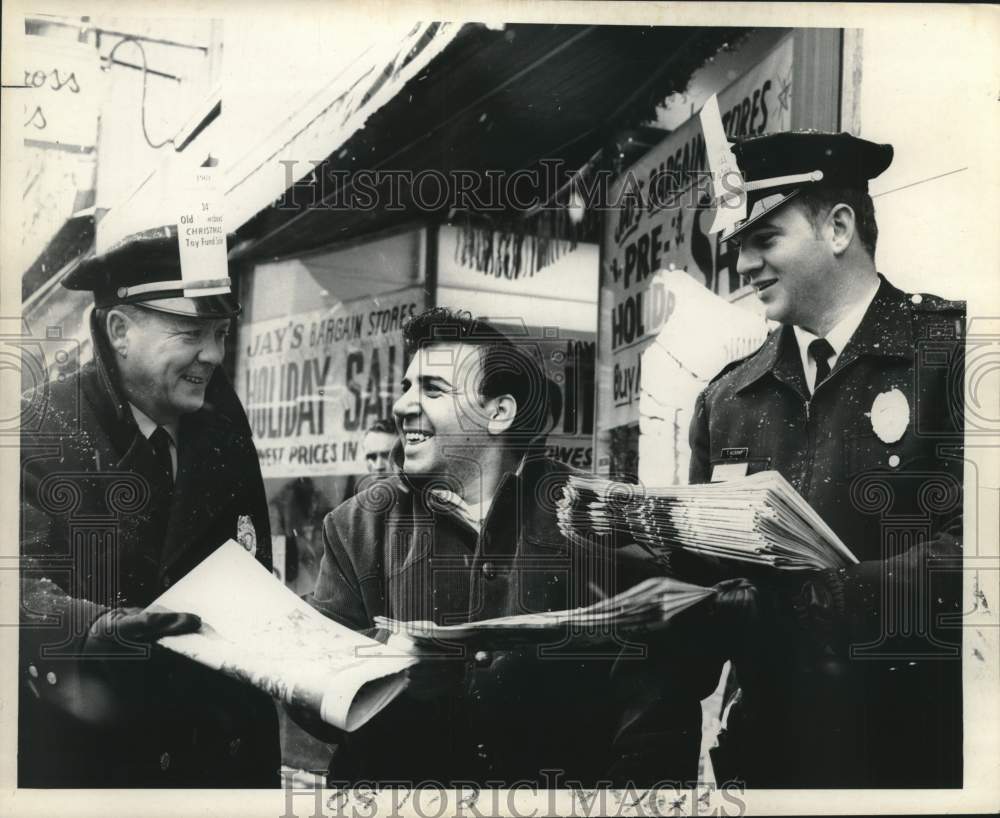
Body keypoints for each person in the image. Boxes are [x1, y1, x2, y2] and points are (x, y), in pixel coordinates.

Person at [299, 307, 726, 786]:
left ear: (499, 413)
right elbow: (311, 692)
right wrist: (382, 668)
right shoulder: (357, 526)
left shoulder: (598, 516)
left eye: (432, 389)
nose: (402, 405)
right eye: (406, 386)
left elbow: (656, 717)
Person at [689, 131, 965, 787]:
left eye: (764, 239)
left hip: (911, 762)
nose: (744, 265)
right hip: (767, 764)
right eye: (738, 247)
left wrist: (830, 598)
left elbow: (978, 553)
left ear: (839, 227)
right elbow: (701, 576)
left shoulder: (954, 357)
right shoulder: (727, 400)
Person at [18, 226, 280, 787]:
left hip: (219, 760)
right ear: (120, 330)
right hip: (97, 761)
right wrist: (91, 630)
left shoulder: (225, 428)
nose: (214, 355)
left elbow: (252, 568)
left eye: (221, 333)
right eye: (191, 333)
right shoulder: (35, 427)